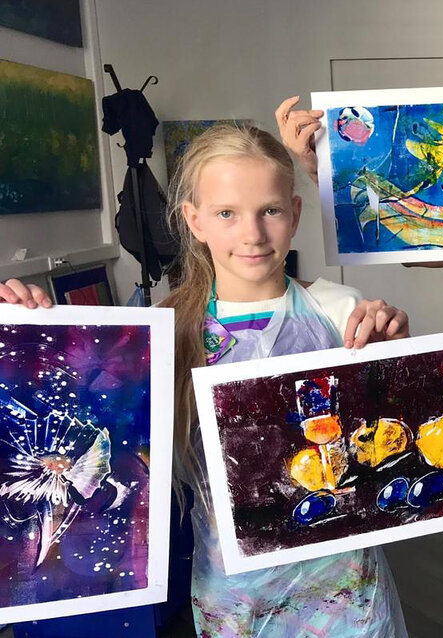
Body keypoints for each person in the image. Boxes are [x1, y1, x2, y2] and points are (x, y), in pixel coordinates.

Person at [4, 124, 412, 638]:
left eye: (270, 210)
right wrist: (28, 334)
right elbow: (90, 434)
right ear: (193, 220)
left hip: (347, 587)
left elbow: (393, 443)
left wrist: (398, 353)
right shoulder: (159, 335)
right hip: (235, 596)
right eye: (226, 213)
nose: (252, 234)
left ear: (295, 214)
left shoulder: (342, 311)